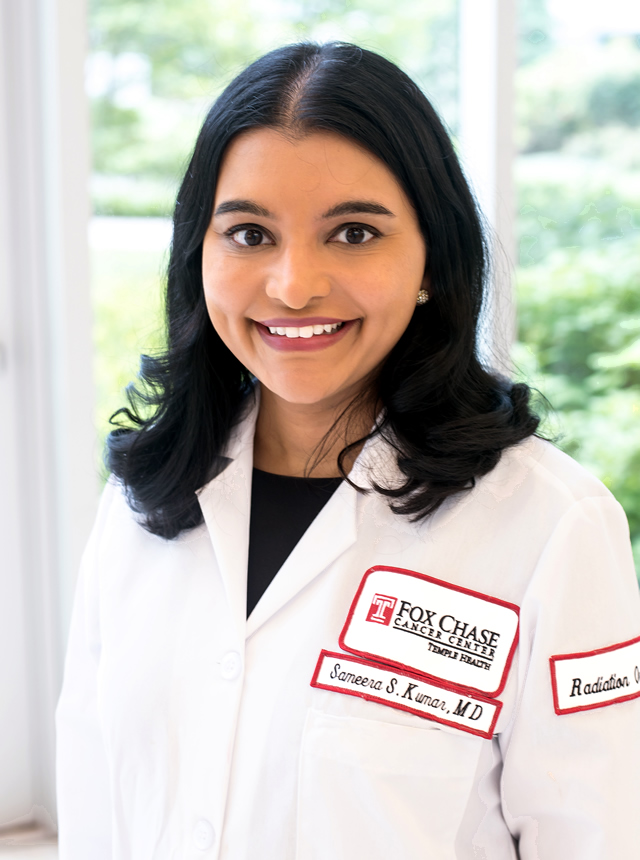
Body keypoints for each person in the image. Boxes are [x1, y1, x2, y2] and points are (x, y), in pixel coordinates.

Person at [55, 41, 640, 859]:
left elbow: (600, 835)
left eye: (354, 233)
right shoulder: (144, 497)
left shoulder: (552, 526)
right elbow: (92, 798)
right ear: (200, 254)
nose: (294, 285)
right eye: (250, 233)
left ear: (432, 257)